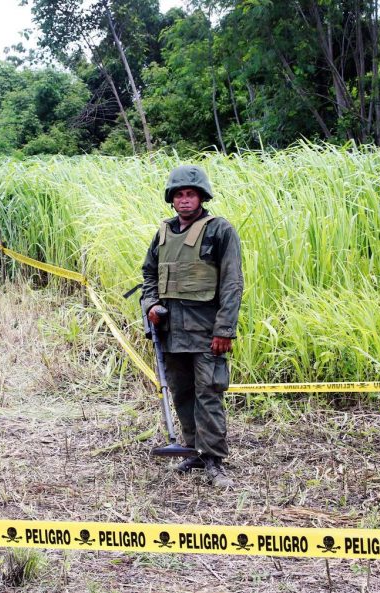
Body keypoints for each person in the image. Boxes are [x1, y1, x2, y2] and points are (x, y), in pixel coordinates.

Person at [141, 165, 243, 488]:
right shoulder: (163, 233)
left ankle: (213, 459)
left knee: (209, 394)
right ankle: (194, 450)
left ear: (201, 197)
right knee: (183, 393)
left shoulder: (219, 231)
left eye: (191, 194)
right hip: (172, 334)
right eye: (179, 195)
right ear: (172, 199)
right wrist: (151, 305)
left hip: (207, 333)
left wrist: (224, 330)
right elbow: (148, 277)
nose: (185, 200)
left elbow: (232, 283)